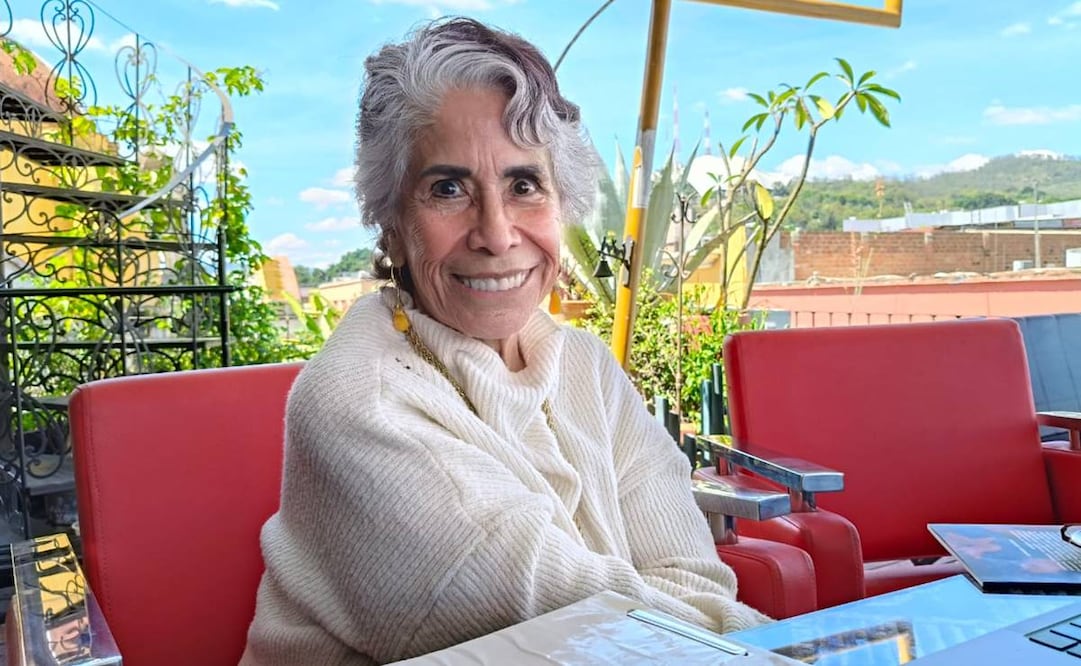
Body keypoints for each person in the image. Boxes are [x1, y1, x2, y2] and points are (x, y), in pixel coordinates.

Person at [241, 17, 769, 665]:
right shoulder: (361, 404)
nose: (495, 234)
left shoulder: (583, 365)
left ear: (562, 201)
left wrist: (688, 617)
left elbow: (695, 578)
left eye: (523, 185)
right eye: (447, 188)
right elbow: (585, 634)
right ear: (391, 222)